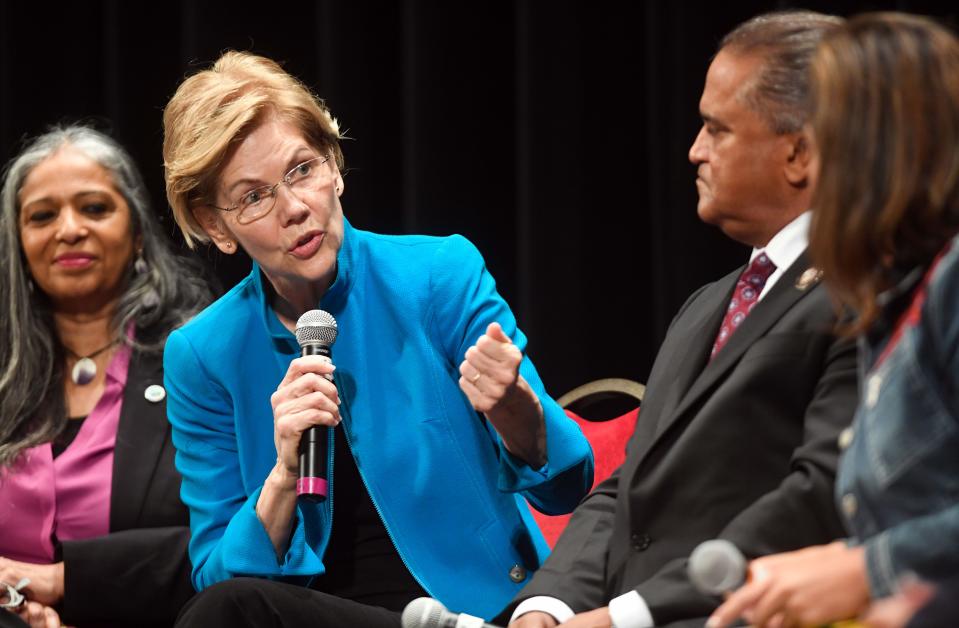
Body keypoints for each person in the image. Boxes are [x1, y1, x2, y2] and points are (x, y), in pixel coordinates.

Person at [160, 51, 593, 627]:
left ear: (334, 165)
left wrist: (513, 406)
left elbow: (567, 487)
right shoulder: (202, 355)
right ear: (216, 226)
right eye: (253, 197)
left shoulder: (438, 276)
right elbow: (217, 576)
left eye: (301, 170)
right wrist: (284, 475)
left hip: (473, 610)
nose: (294, 208)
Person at [502, 11, 859, 628]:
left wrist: (626, 616)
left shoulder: (865, 292)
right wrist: (548, 607)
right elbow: (623, 491)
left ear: (798, 152)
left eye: (716, 130)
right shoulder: (705, 308)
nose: (694, 150)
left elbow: (817, 496)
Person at [708, 12, 959, 628]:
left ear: (883, 151)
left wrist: (861, 571)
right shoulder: (888, 305)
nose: (808, 174)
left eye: (821, 145)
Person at [0, 125, 214, 628]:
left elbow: (233, 535)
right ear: (20, 244)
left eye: (94, 208)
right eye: (42, 216)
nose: (69, 229)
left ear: (137, 233)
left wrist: (62, 583)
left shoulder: (199, 357)